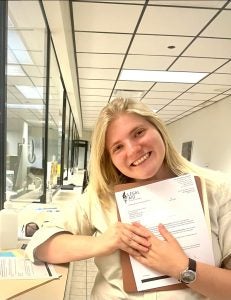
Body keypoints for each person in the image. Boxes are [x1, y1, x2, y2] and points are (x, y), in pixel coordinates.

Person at [26, 97, 231, 300]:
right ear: (110, 158)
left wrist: (181, 267)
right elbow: (41, 244)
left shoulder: (217, 189)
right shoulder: (101, 197)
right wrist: (104, 242)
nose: (133, 150)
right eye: (118, 147)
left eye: (139, 133)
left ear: (158, 129)